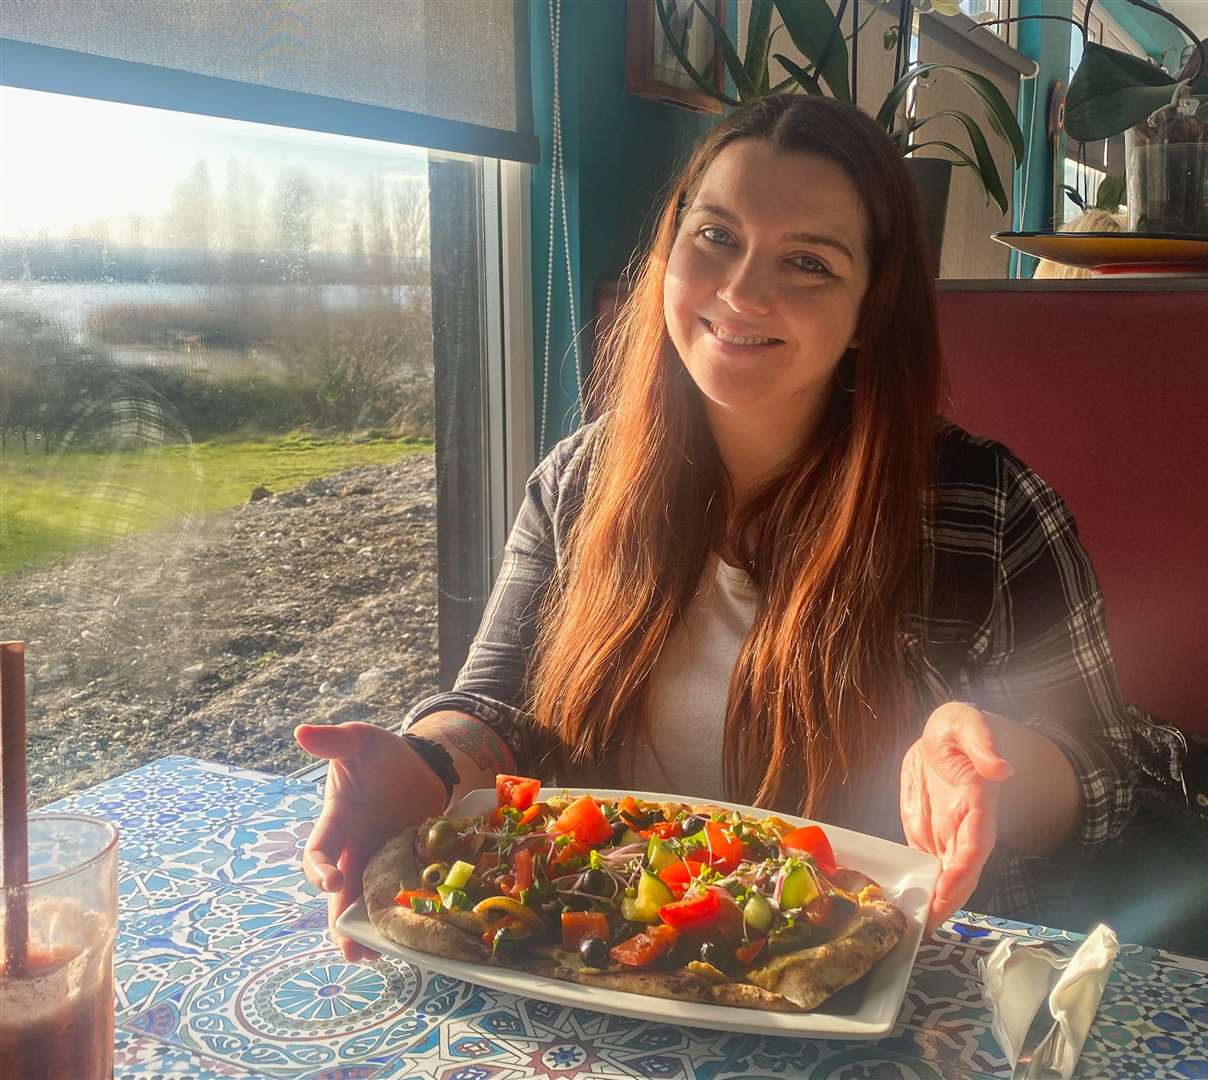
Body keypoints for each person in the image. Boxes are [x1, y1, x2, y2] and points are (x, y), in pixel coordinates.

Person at [298, 94, 1150, 962]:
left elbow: (1109, 783)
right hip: (597, 972)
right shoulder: (577, 483)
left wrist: (992, 762)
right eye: (714, 237)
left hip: (891, 985)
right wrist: (426, 764)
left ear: (871, 310)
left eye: (808, 262)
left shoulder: (990, 507)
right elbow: (498, 708)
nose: (741, 291)